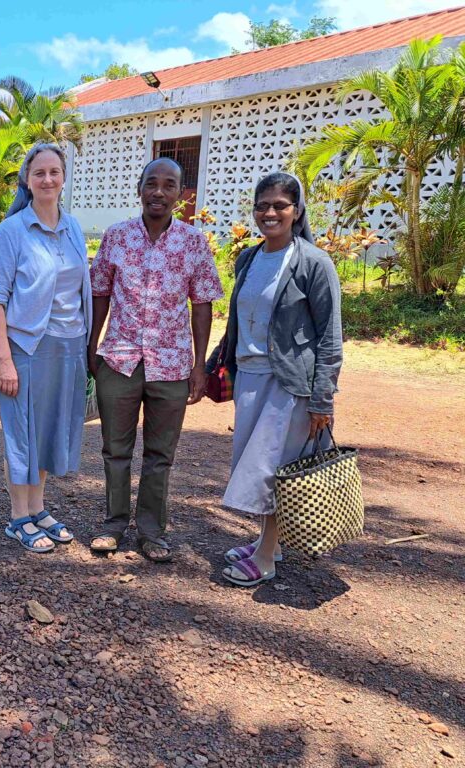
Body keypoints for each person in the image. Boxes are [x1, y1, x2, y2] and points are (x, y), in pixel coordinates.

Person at [88, 158, 223, 562]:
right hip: (120, 358)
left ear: (181, 195)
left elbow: (202, 304)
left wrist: (199, 365)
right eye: (152, 183)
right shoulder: (116, 237)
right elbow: (100, 294)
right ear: (140, 189)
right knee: (115, 448)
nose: (159, 192)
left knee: (161, 453)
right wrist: (91, 346)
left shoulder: (193, 242)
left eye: (169, 185)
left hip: (172, 364)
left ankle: (151, 531)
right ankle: (113, 524)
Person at [219, 172, 342, 586]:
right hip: (249, 379)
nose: (269, 213)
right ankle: (263, 542)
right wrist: (216, 362)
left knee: (274, 468)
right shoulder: (248, 258)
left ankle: (268, 556)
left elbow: (329, 336)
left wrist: (323, 399)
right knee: (256, 467)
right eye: (262, 205)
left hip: (289, 384)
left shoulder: (313, 263)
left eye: (279, 206)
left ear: (296, 211)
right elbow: (238, 317)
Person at [0, 143, 91, 553]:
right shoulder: (11, 232)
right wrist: (5, 360)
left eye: (54, 172)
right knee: (22, 433)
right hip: (25, 347)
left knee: (46, 431)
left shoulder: (74, 227)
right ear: (27, 181)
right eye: (39, 172)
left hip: (68, 345)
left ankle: (39, 507)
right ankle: (18, 516)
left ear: (63, 178)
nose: (47, 179)